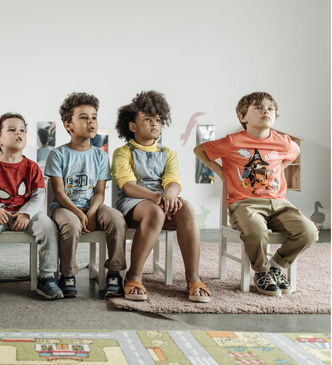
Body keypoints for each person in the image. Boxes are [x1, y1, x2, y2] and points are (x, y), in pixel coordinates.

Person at [195, 91, 318, 296]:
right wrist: (221, 171)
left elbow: (294, 152)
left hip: (279, 204)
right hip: (245, 203)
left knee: (309, 232)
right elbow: (200, 150)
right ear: (243, 117)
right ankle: (261, 271)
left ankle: (276, 267)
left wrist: (280, 167)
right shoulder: (232, 142)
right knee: (256, 231)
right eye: (258, 108)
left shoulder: (284, 142)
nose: (265, 111)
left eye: (270, 108)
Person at [112, 90, 210, 302]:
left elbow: (173, 181)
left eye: (157, 119)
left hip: (162, 201)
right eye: (147, 119)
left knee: (188, 208)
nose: (154, 123)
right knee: (155, 212)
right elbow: (128, 186)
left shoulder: (168, 154)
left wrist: (170, 195)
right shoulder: (123, 152)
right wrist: (157, 197)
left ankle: (193, 278)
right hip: (134, 204)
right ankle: (134, 276)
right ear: (133, 126)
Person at [0, 113, 63, 300]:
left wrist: (26, 213)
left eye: (22, 130)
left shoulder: (32, 166)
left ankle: (46, 278)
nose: (18, 133)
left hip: (27, 214)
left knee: (49, 228)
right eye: (11, 130)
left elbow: (38, 195)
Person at [45, 92, 127, 298]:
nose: (91, 121)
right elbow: (60, 193)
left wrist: (90, 212)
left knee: (116, 218)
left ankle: (115, 273)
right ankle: (68, 275)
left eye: (94, 117)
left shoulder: (100, 155)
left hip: (92, 206)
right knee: (71, 224)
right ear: (68, 125)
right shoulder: (58, 154)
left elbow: (99, 192)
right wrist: (78, 214)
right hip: (64, 208)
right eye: (83, 117)